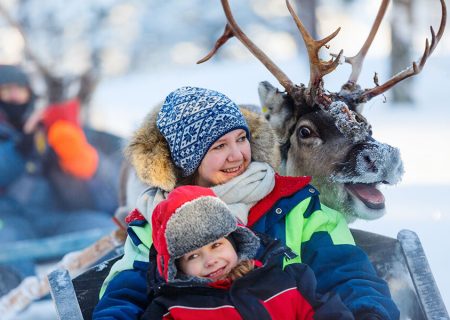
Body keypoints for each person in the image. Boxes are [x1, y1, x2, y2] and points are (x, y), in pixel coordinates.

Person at [93, 86, 399, 319]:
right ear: (188, 161)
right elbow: (125, 292)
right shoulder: (156, 222)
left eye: (241, 139)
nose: (237, 155)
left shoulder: (296, 206)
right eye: (219, 146)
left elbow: (347, 273)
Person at [142, 185, 354, 319]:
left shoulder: (286, 281)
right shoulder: (172, 309)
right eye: (193, 256)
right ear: (177, 267)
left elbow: (327, 311)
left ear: (235, 241)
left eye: (216, 245)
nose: (211, 260)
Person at [0, 64, 119, 292]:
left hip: (55, 218)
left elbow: (106, 178)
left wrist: (73, 157)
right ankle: (16, 305)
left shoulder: (47, 125)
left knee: (105, 233)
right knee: (6, 253)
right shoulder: (16, 137)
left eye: (19, 89)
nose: (14, 96)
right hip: (8, 221)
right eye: (6, 90)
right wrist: (18, 150)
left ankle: (101, 294)